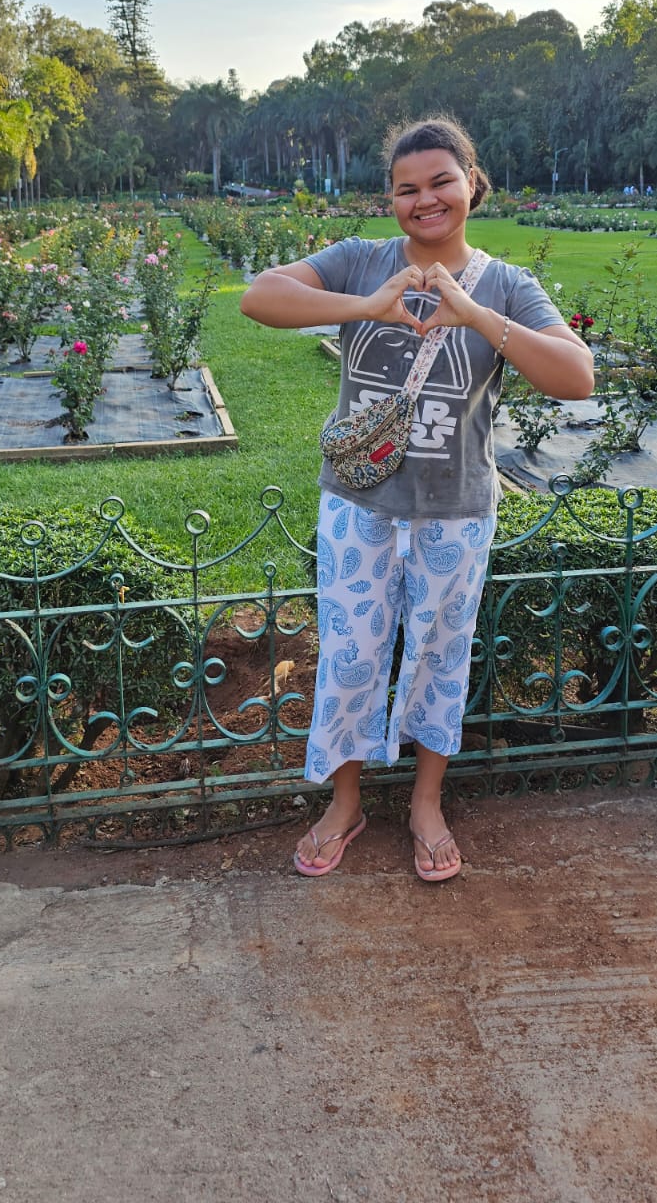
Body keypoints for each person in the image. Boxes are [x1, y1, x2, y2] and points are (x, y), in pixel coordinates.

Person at [240, 115, 594, 882]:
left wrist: (476, 316)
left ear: (471, 182)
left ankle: (425, 804)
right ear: (391, 199)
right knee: (350, 655)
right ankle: (344, 803)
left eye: (440, 181)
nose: (424, 200)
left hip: (454, 508)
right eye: (407, 189)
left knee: (437, 657)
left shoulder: (506, 285)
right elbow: (258, 299)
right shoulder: (360, 261)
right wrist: (367, 306)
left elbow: (576, 376)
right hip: (358, 504)